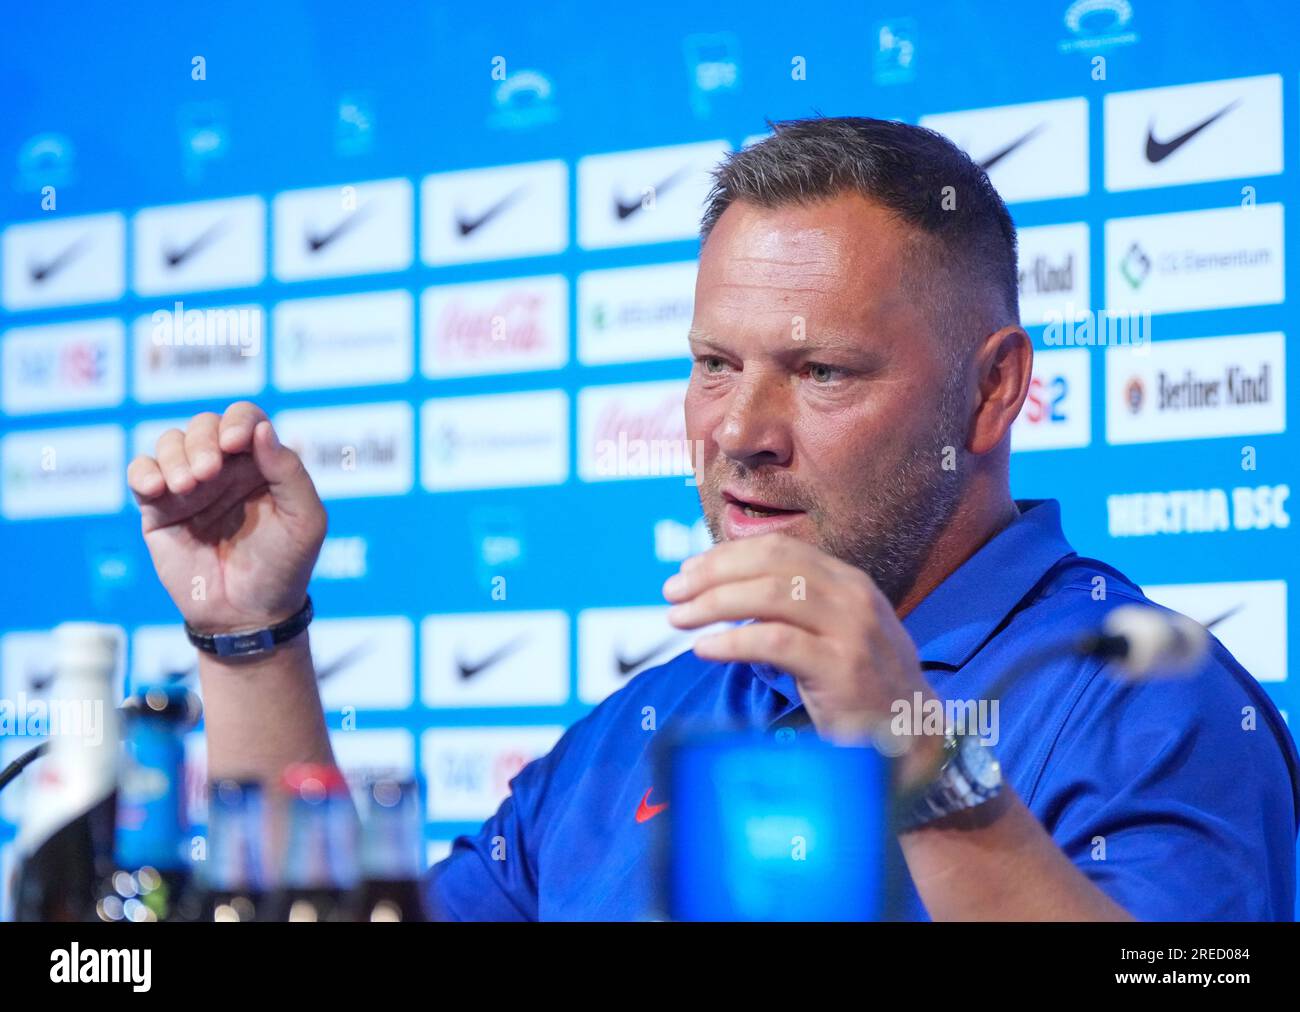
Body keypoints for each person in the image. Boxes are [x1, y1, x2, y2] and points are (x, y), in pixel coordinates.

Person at [127, 116, 1299, 921]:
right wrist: (253, 637)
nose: (740, 429)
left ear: (991, 390)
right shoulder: (659, 711)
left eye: (824, 370)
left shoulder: (1148, 699)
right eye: (713, 362)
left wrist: (919, 759)